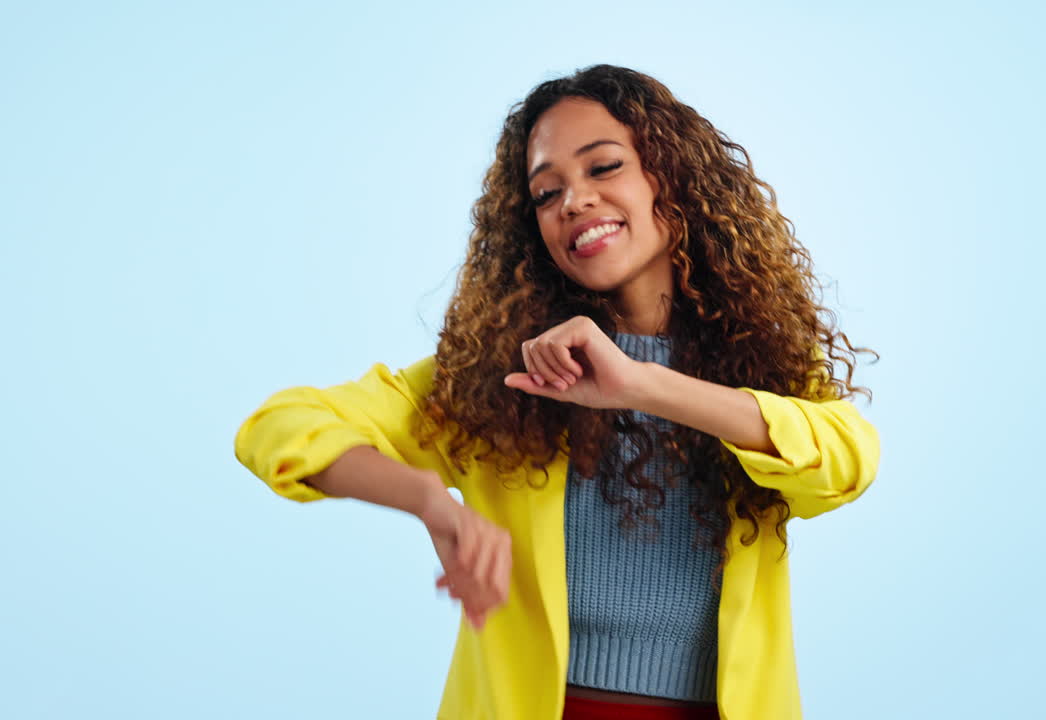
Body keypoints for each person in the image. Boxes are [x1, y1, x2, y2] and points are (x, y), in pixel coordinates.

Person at [234, 64, 881, 720]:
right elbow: (280, 426)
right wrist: (428, 499)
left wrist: (644, 385)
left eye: (603, 168)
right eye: (547, 193)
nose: (574, 201)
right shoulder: (502, 379)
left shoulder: (756, 369)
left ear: (674, 176)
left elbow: (848, 460)